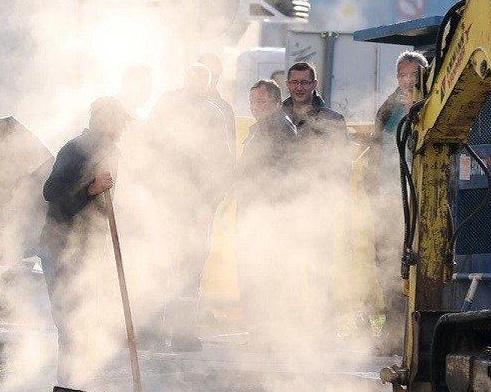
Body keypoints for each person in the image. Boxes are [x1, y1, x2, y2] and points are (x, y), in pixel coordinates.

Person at [39, 96, 129, 385]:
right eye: (119, 120)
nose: (123, 126)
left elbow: (106, 203)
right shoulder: (76, 150)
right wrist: (90, 189)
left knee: (88, 317)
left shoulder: (111, 152)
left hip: (90, 246)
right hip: (61, 244)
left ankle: (81, 382)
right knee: (70, 319)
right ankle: (68, 386)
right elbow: (51, 192)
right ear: (102, 120)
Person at [146, 63, 233, 350]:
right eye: (192, 79)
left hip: (197, 204)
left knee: (191, 267)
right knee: (159, 262)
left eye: (202, 81)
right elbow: (150, 146)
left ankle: (182, 330)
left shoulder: (214, 114)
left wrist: (214, 196)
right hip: (167, 200)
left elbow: (223, 159)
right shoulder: (166, 108)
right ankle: (152, 325)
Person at [281, 61, 348, 340]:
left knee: (319, 268)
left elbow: (342, 165)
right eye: (295, 82)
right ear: (288, 84)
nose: (299, 88)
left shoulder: (332, 120)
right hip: (283, 206)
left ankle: (322, 330)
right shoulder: (276, 118)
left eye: (305, 82)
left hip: (319, 205)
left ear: (314, 84)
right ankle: (289, 328)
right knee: (286, 268)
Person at [367, 51, 427, 354]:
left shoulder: (431, 107)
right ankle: (390, 333)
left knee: (413, 267)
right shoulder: (388, 109)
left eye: (413, 75)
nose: (407, 81)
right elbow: (376, 151)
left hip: (418, 200)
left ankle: (412, 335)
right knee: (387, 266)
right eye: (403, 75)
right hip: (387, 197)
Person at [234, 79, 297, 336]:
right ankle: (260, 329)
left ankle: (267, 330)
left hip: (268, 212)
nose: (255, 107)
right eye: (252, 101)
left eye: (260, 101)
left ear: (274, 101)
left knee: (265, 272)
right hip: (253, 209)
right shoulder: (261, 128)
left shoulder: (279, 127)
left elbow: (281, 172)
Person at [198, 52, 237, 153]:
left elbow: (230, 150)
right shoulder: (173, 100)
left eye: (215, 75)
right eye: (207, 74)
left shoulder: (225, 109)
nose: (211, 80)